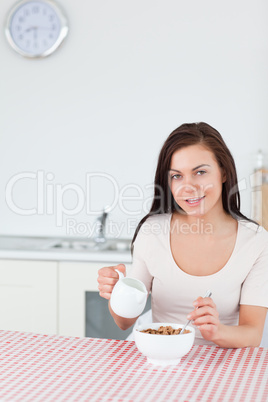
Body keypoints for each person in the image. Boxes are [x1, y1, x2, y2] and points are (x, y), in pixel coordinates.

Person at [97, 122, 268, 347]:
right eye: (177, 176)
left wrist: (217, 332)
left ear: (223, 172)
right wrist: (117, 292)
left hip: (226, 367)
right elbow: (124, 322)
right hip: (161, 360)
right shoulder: (152, 232)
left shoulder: (255, 241)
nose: (188, 187)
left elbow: (252, 334)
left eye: (200, 172)